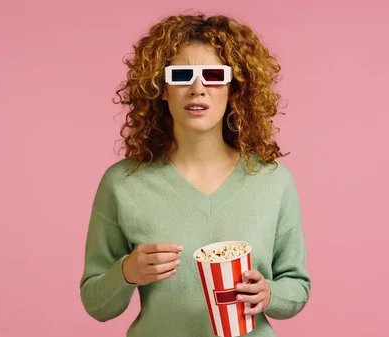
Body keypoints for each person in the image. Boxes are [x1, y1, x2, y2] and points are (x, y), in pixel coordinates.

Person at [79, 13, 311, 337]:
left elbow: (297, 286)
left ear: (233, 88)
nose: (197, 88)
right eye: (182, 75)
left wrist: (270, 294)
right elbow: (95, 302)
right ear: (162, 89)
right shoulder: (123, 183)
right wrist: (127, 271)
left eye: (214, 75)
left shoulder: (273, 181)